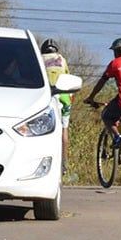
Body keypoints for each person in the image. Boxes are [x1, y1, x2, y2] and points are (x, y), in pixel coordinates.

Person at [83, 37, 121, 181]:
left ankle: (117, 136)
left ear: (116, 52)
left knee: (107, 116)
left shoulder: (115, 63)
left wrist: (91, 97)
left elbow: (102, 81)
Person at [41, 39, 73, 172]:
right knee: (64, 130)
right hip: (64, 98)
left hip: (46, 99)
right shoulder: (62, 60)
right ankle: (64, 164)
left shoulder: (40, 59)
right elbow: (68, 77)